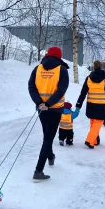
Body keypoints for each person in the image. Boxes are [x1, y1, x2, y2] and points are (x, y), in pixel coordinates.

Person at [28, 46, 69, 181]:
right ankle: (38, 171)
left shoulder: (38, 68)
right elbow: (61, 90)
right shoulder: (61, 70)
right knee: (48, 138)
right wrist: (48, 104)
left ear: (47, 55)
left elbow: (31, 87)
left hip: (41, 109)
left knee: (47, 135)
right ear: (59, 57)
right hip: (55, 109)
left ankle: (50, 156)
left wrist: (39, 102)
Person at [76, 60, 105, 149]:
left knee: (93, 122)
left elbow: (83, 93)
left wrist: (79, 104)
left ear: (94, 67)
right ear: (101, 67)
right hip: (101, 105)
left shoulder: (89, 77)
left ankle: (95, 140)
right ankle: (89, 140)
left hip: (90, 104)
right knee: (98, 122)